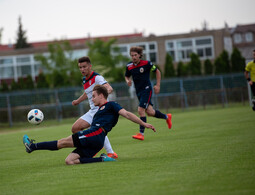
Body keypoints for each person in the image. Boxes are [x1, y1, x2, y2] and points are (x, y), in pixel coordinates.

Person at [23, 85, 156, 165]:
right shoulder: (99, 110)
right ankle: (102, 160)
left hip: (95, 133)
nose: (91, 99)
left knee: (62, 142)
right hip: (97, 140)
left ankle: (32, 146)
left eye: (93, 96)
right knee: (69, 161)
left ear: (102, 96)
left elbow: (127, 114)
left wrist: (143, 123)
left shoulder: (111, 105)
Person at [71, 56, 117, 158]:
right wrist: (78, 101)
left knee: (97, 130)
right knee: (75, 128)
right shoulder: (84, 80)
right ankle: (94, 146)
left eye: (84, 67)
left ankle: (110, 152)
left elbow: (109, 88)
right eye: (80, 67)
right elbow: (87, 93)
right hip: (92, 111)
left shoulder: (97, 78)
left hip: (100, 110)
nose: (82, 69)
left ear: (90, 66)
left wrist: (102, 97)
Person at [124, 46, 172, 141]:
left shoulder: (147, 63)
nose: (133, 57)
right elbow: (126, 76)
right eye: (132, 55)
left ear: (140, 55)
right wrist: (127, 81)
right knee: (150, 112)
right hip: (138, 91)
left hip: (147, 89)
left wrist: (157, 85)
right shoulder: (129, 66)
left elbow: (157, 72)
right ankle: (167, 117)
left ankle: (141, 134)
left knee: (140, 110)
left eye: (135, 55)